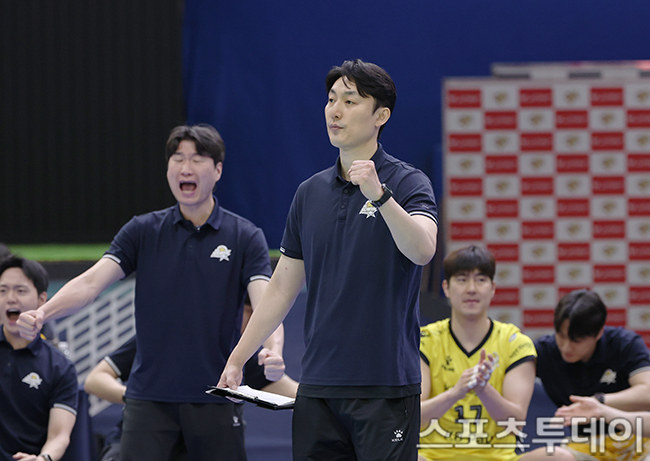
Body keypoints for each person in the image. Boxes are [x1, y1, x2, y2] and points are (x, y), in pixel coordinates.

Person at [17, 124, 285, 461]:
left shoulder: (245, 236)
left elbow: (266, 302)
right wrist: (43, 313)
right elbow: (90, 283)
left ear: (218, 170)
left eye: (197, 159)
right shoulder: (142, 231)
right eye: (178, 158)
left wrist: (274, 350)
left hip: (217, 397)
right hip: (148, 401)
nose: (186, 167)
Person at [219, 58, 439, 460]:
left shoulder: (408, 182)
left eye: (350, 101)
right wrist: (238, 358)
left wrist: (380, 196)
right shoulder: (309, 193)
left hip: (386, 387)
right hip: (318, 388)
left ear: (381, 116)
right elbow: (281, 288)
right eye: (331, 99)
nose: (335, 111)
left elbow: (423, 249)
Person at [85, 335, 298, 461]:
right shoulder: (163, 336)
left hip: (198, 446)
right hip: (141, 440)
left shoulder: (240, 349)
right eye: (248, 312)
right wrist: (143, 401)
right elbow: (95, 379)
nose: (253, 322)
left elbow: (295, 395)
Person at [418, 245, 537, 461]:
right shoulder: (425, 340)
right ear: (446, 287)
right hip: (434, 457)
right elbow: (414, 417)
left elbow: (516, 423)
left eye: (481, 280)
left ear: (493, 288)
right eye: (462, 279)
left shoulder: (516, 343)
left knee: (560, 457)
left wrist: (483, 389)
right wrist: (456, 392)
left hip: (499, 458)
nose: (471, 289)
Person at [522, 289, 650, 460]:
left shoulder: (624, 344)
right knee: (550, 457)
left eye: (577, 340)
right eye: (561, 336)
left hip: (638, 438)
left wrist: (599, 403)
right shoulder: (544, 351)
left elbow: (647, 392)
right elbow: (507, 378)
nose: (566, 347)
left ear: (599, 333)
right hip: (586, 445)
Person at [0, 256, 78, 461]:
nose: (10, 298)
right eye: (2, 290)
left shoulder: (60, 367)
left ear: (42, 300)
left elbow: (59, 436)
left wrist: (43, 458)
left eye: (20, 291)